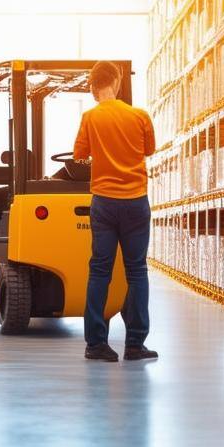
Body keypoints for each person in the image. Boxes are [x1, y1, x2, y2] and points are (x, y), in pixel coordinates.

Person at [74, 61, 157, 362]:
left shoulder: (90, 117)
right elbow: (148, 149)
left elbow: (80, 155)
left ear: (95, 86)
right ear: (118, 82)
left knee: (100, 270)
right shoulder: (140, 116)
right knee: (137, 271)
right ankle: (135, 343)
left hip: (104, 202)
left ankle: (95, 343)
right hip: (136, 201)